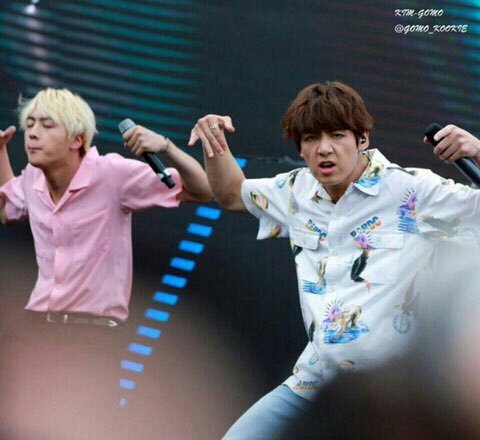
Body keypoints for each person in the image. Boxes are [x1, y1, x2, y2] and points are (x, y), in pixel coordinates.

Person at [188, 81, 480, 439]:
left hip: (391, 394)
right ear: (300, 147)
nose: (324, 148)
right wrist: (214, 142)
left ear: (362, 139)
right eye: (311, 138)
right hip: (314, 384)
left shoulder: (412, 189)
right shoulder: (296, 190)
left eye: (337, 135)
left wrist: (478, 151)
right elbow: (232, 193)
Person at [0, 88, 213, 437]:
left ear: (77, 139)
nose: (33, 133)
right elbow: (7, 210)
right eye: (30, 125)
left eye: (47, 125)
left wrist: (166, 148)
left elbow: (203, 190)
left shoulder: (111, 174)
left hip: (92, 337)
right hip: (36, 332)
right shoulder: (32, 179)